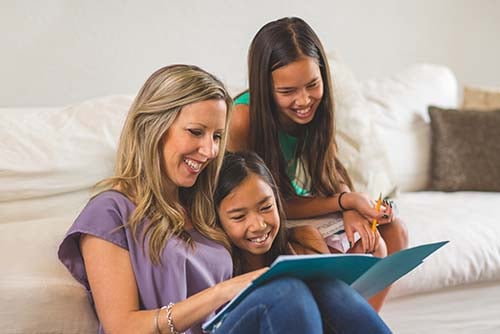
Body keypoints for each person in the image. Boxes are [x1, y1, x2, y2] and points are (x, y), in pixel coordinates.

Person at [58, 64, 344, 334]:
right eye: (196, 132)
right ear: (153, 127)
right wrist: (219, 293)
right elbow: (121, 327)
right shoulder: (110, 211)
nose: (209, 151)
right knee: (288, 292)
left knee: (328, 289)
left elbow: (255, 228)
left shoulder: (202, 202)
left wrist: (332, 217)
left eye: (218, 136)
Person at [228, 17, 408, 310]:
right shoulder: (242, 120)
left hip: (301, 207)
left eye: (313, 84)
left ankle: (361, 325)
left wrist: (350, 207)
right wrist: (344, 201)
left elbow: (331, 169)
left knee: (392, 232)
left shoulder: (317, 112)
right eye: (287, 92)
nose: (304, 100)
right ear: (264, 88)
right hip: (264, 219)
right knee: (311, 246)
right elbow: (271, 204)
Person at [214, 151, 392, 333]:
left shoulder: (303, 241)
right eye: (239, 217)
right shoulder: (217, 262)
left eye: (266, 207)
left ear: (277, 202)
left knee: (327, 287)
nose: (258, 225)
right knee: (288, 290)